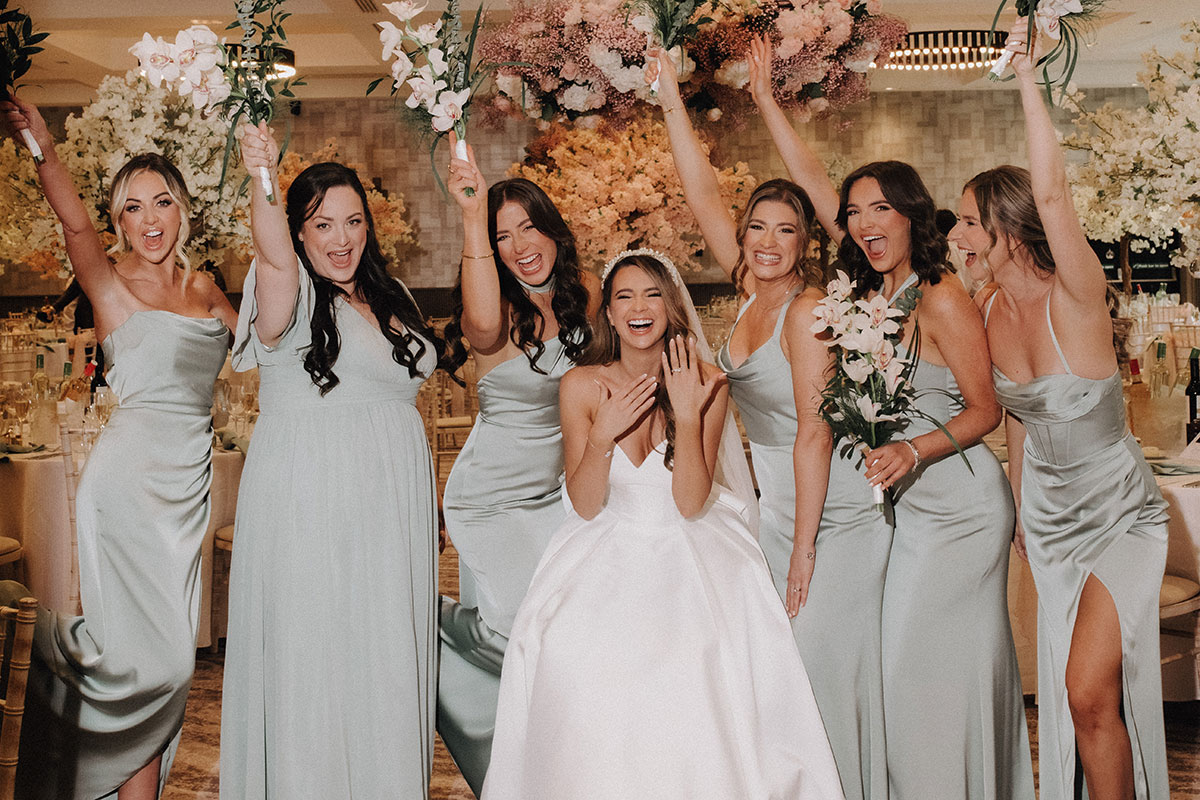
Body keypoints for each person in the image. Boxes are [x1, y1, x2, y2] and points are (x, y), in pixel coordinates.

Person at [747, 35, 1034, 798]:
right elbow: (817, 187)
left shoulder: (940, 295)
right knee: (909, 678)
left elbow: (986, 411)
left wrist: (913, 451)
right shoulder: (871, 294)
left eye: (881, 208)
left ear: (911, 216)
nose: (863, 222)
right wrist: (767, 102)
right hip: (904, 512)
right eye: (853, 213)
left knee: (919, 672)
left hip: (959, 505)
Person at [481, 250, 845, 800]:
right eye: (624, 297)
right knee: (571, 649)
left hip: (689, 543)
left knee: (693, 661)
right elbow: (584, 505)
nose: (639, 308)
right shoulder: (580, 385)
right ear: (608, 312)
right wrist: (601, 436)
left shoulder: (709, 383)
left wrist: (689, 413)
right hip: (605, 542)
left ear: (672, 307)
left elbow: (691, 501)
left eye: (652, 295)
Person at [649, 47, 891, 800]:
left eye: (785, 231)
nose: (765, 241)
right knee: (783, 677)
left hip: (833, 512)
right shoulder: (751, 289)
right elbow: (699, 192)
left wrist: (804, 549)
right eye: (756, 226)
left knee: (817, 671)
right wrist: (668, 97)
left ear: (805, 243)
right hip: (778, 508)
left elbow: (816, 434)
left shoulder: (807, 308)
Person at [955, 19, 1169, 800]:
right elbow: (1016, 418)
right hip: (1048, 524)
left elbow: (1054, 193)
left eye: (968, 221)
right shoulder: (984, 310)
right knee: (1084, 705)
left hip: (1120, 516)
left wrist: (1026, 76)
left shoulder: (1075, 295)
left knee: (1085, 690)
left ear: (1011, 228)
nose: (957, 234)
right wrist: (1019, 508)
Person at [1, 95, 236, 800]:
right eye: (132, 208)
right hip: (127, 489)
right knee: (154, 664)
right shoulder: (107, 284)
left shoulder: (206, 290)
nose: (149, 220)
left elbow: (268, 346)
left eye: (161, 202)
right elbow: (72, 223)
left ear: (182, 211)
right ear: (118, 221)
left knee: (163, 666)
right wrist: (43, 148)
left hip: (186, 494)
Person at [219, 122, 442, 799]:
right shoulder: (288, 291)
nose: (341, 239)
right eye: (321, 225)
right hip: (314, 505)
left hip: (389, 514)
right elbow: (272, 252)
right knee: (318, 654)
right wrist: (262, 176)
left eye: (352, 221)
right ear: (298, 232)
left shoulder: (393, 295)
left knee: (383, 657)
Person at [437, 142, 598, 794]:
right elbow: (477, 329)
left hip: (555, 500)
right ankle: (424, 626)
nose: (519, 246)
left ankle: (547, 777)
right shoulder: (496, 309)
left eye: (528, 227)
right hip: (491, 500)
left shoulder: (587, 297)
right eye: (502, 237)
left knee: (560, 642)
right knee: (513, 635)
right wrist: (471, 217)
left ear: (553, 229)